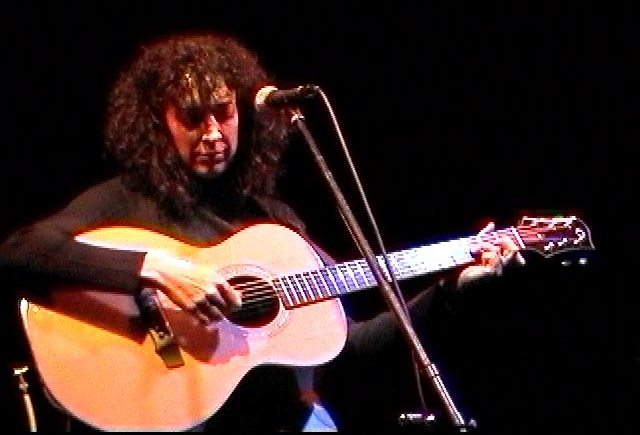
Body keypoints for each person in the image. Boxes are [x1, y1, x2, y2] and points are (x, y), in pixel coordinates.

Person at [0, 31, 522, 433]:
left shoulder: (276, 225)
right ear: (160, 122)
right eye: (192, 117)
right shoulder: (128, 200)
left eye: (223, 113)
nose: (212, 133)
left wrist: (453, 288)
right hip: (170, 414)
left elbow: (347, 347)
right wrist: (153, 270)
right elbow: (20, 251)